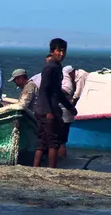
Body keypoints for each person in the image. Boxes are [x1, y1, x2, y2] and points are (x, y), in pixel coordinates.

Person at [33, 38, 77, 168]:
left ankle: (36, 168)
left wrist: (69, 107)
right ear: (52, 51)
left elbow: (57, 92)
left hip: (47, 108)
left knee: (43, 142)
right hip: (47, 110)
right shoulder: (50, 67)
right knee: (53, 142)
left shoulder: (57, 67)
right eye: (59, 51)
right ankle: (52, 170)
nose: (61, 54)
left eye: (64, 51)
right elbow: (44, 90)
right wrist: (48, 111)